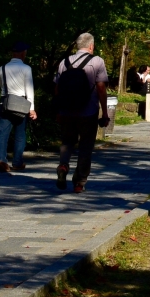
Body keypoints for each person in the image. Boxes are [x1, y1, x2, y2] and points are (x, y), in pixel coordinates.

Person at [52, 32, 111, 194]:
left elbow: (57, 89)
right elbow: (101, 88)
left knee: (67, 142)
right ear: (91, 46)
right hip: (88, 112)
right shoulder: (97, 61)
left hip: (66, 111)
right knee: (85, 147)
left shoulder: (64, 62)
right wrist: (104, 113)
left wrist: (58, 110)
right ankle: (79, 183)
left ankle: (63, 165)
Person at [0, 41, 37, 174]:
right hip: (21, 103)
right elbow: (29, 89)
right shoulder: (26, 69)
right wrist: (32, 108)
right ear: (23, 53)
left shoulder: (2, 68)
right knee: (20, 134)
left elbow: (2, 85)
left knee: (2, 133)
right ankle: (17, 162)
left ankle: (1, 160)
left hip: (5, 101)